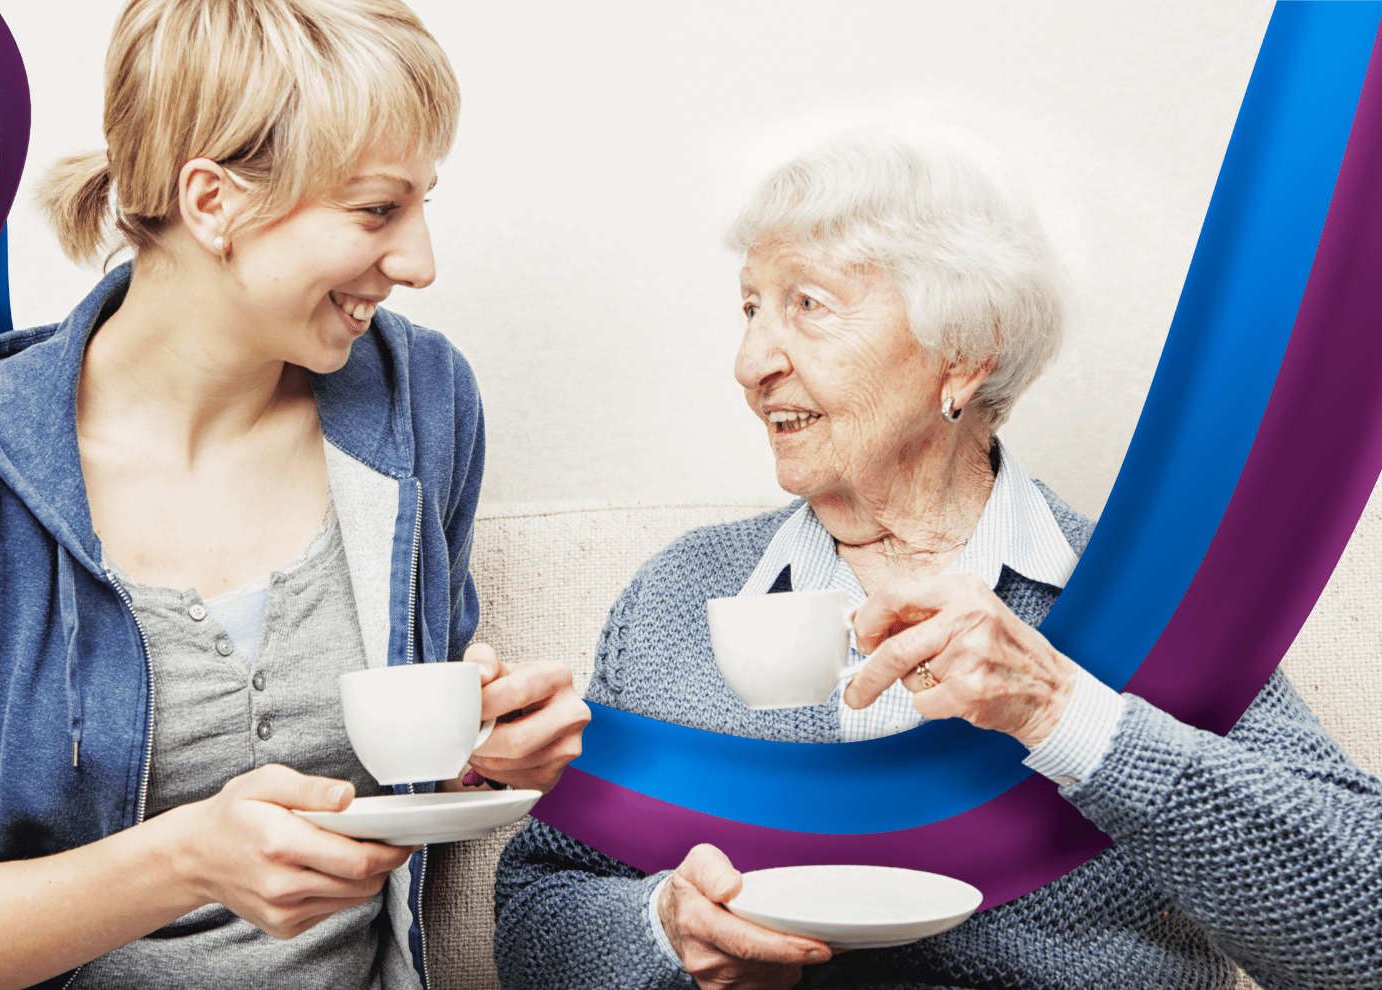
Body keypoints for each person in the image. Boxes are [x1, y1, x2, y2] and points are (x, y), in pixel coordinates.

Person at [0, 3, 589, 989]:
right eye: (377, 210)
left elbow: (395, 779)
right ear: (212, 202)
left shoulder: (417, 403)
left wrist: (483, 751)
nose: (420, 263)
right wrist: (178, 863)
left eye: (422, 204)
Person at [494, 126, 1382, 990]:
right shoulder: (679, 596)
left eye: (808, 304)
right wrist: (664, 929)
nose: (750, 360)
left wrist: (1061, 711)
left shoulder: (1149, 604)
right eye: (751, 308)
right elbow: (539, 911)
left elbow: (1365, 935)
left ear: (962, 353)